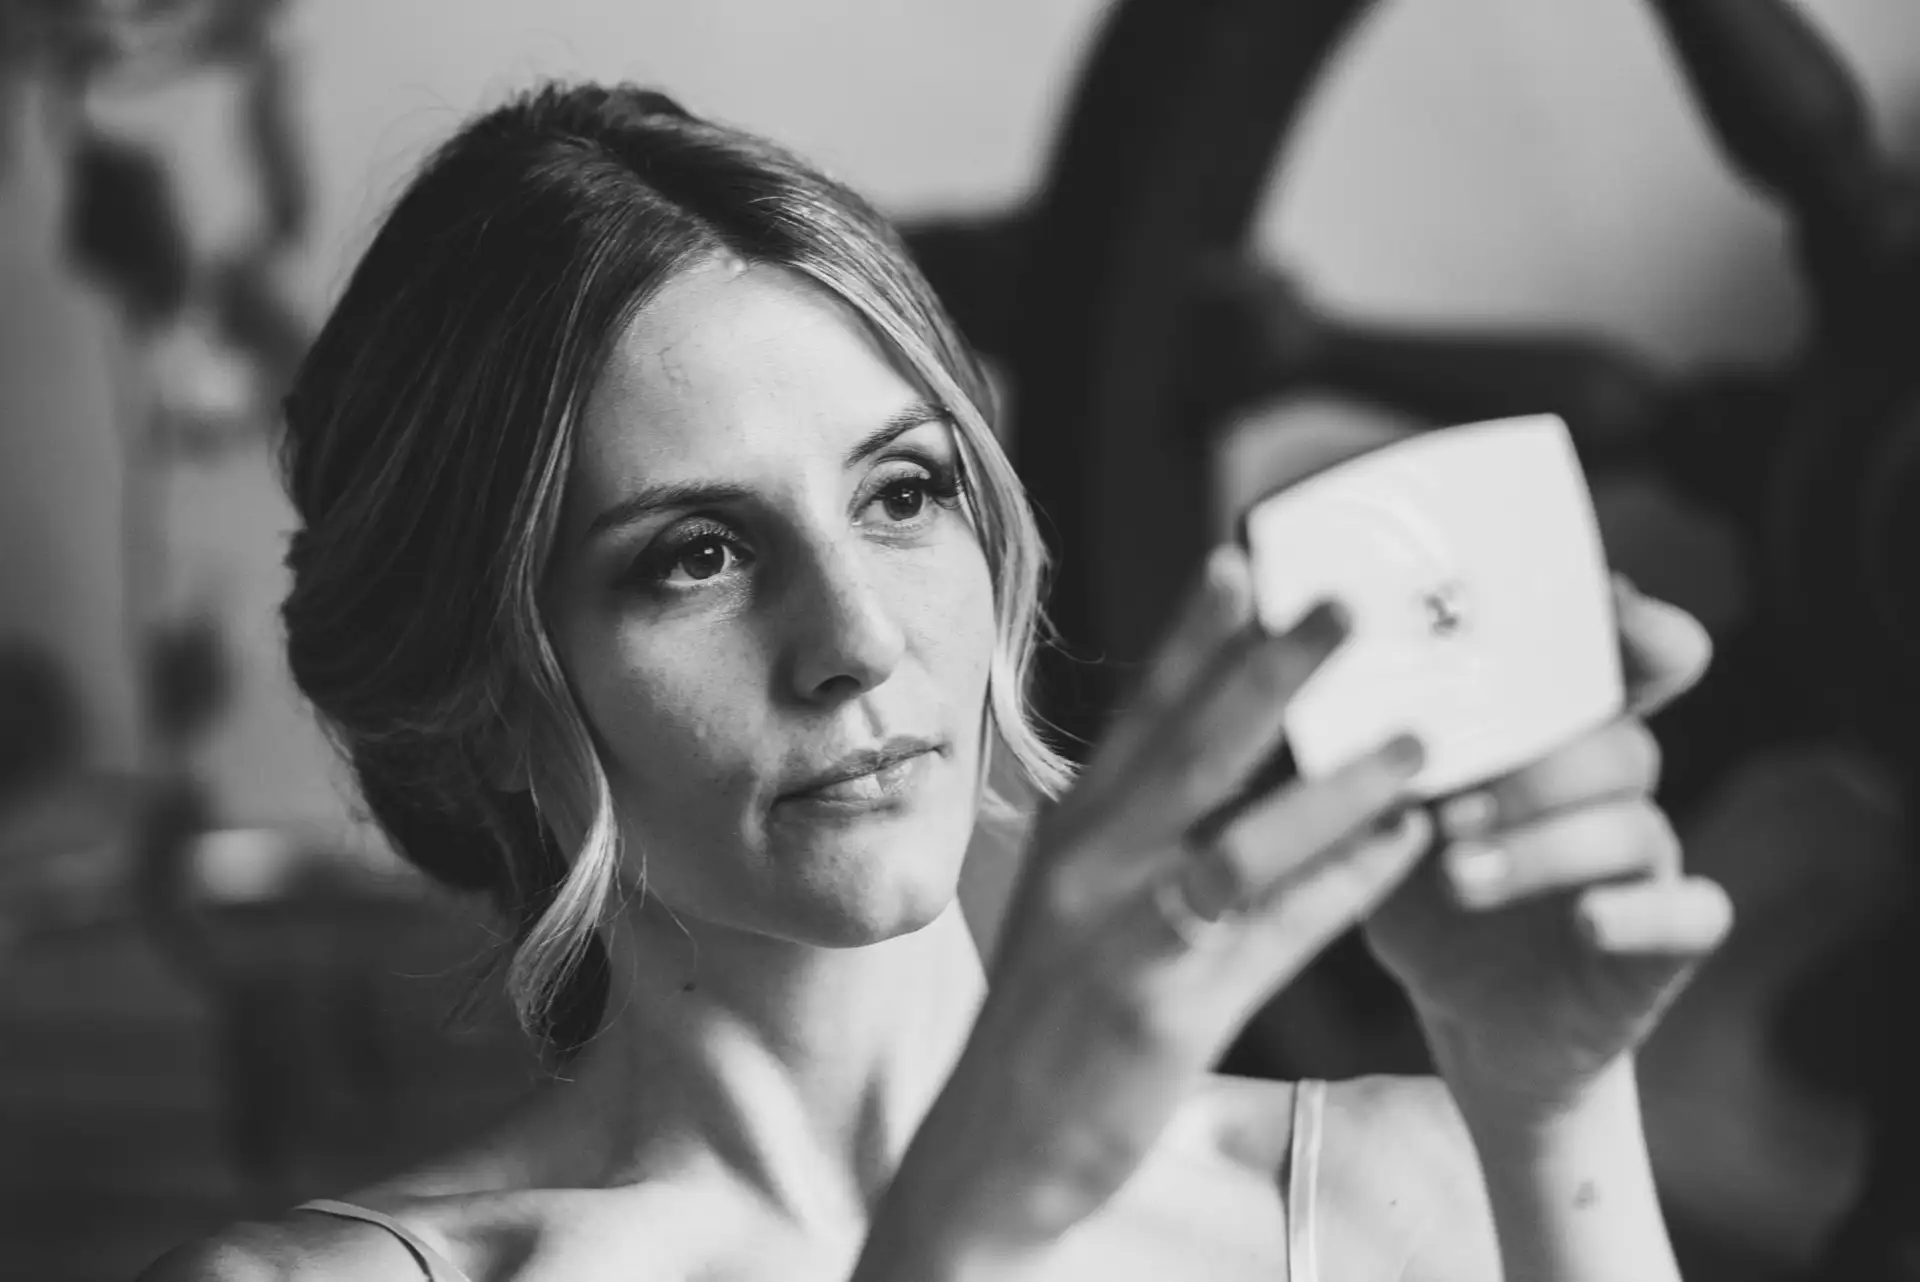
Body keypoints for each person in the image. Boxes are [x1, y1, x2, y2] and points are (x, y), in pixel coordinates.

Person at [140, 82, 1731, 1282]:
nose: (858, 636)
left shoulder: (1401, 1190)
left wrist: (1553, 1101)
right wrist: (963, 1230)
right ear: (490, 694)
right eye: (697, 553)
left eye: (903, 494)